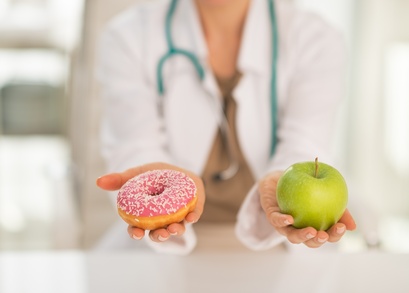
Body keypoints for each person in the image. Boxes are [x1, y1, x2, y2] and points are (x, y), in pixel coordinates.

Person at [95, 0, 356, 254]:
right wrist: (159, 183)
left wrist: (284, 189)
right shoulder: (129, 36)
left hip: (276, 243)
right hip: (165, 247)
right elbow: (135, 144)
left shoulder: (315, 38)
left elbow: (306, 145)